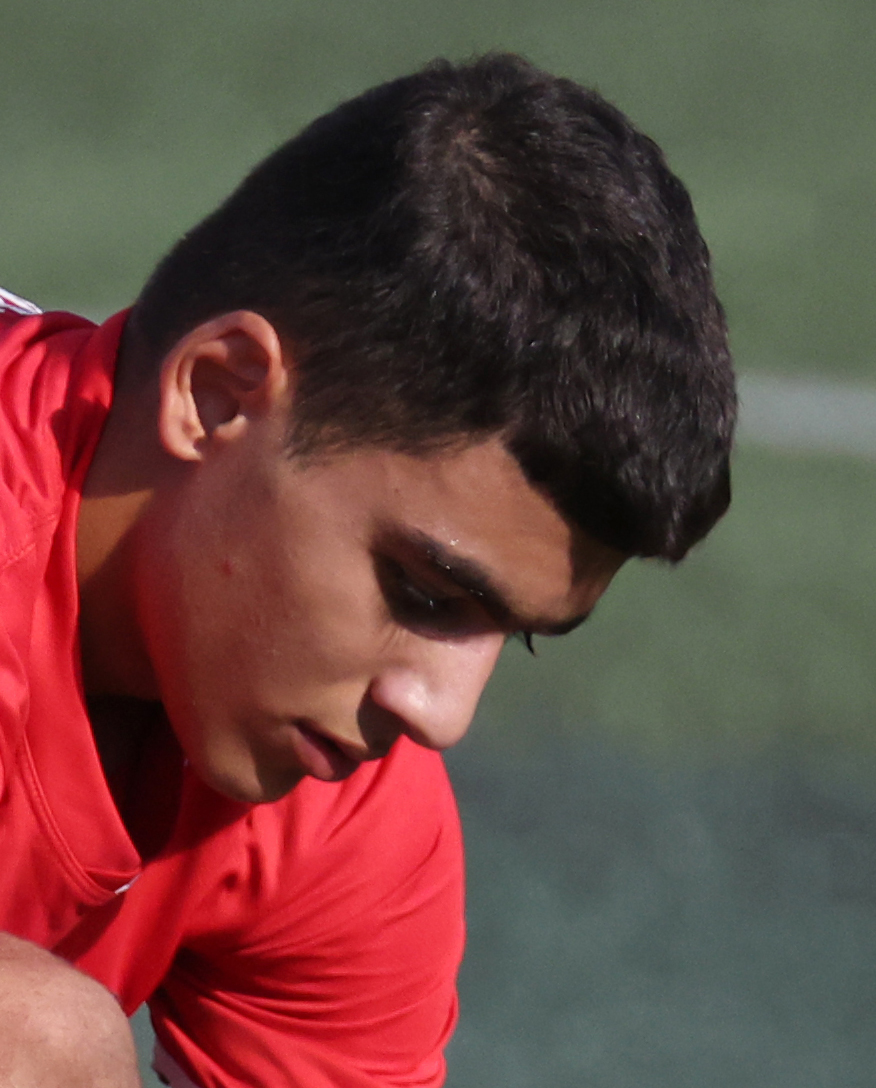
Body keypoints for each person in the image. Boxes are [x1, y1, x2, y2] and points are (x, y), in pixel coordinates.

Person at [0, 53, 735, 1088]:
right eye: (423, 592)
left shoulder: (341, 799)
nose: (442, 712)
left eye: (513, 634)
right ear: (217, 395)